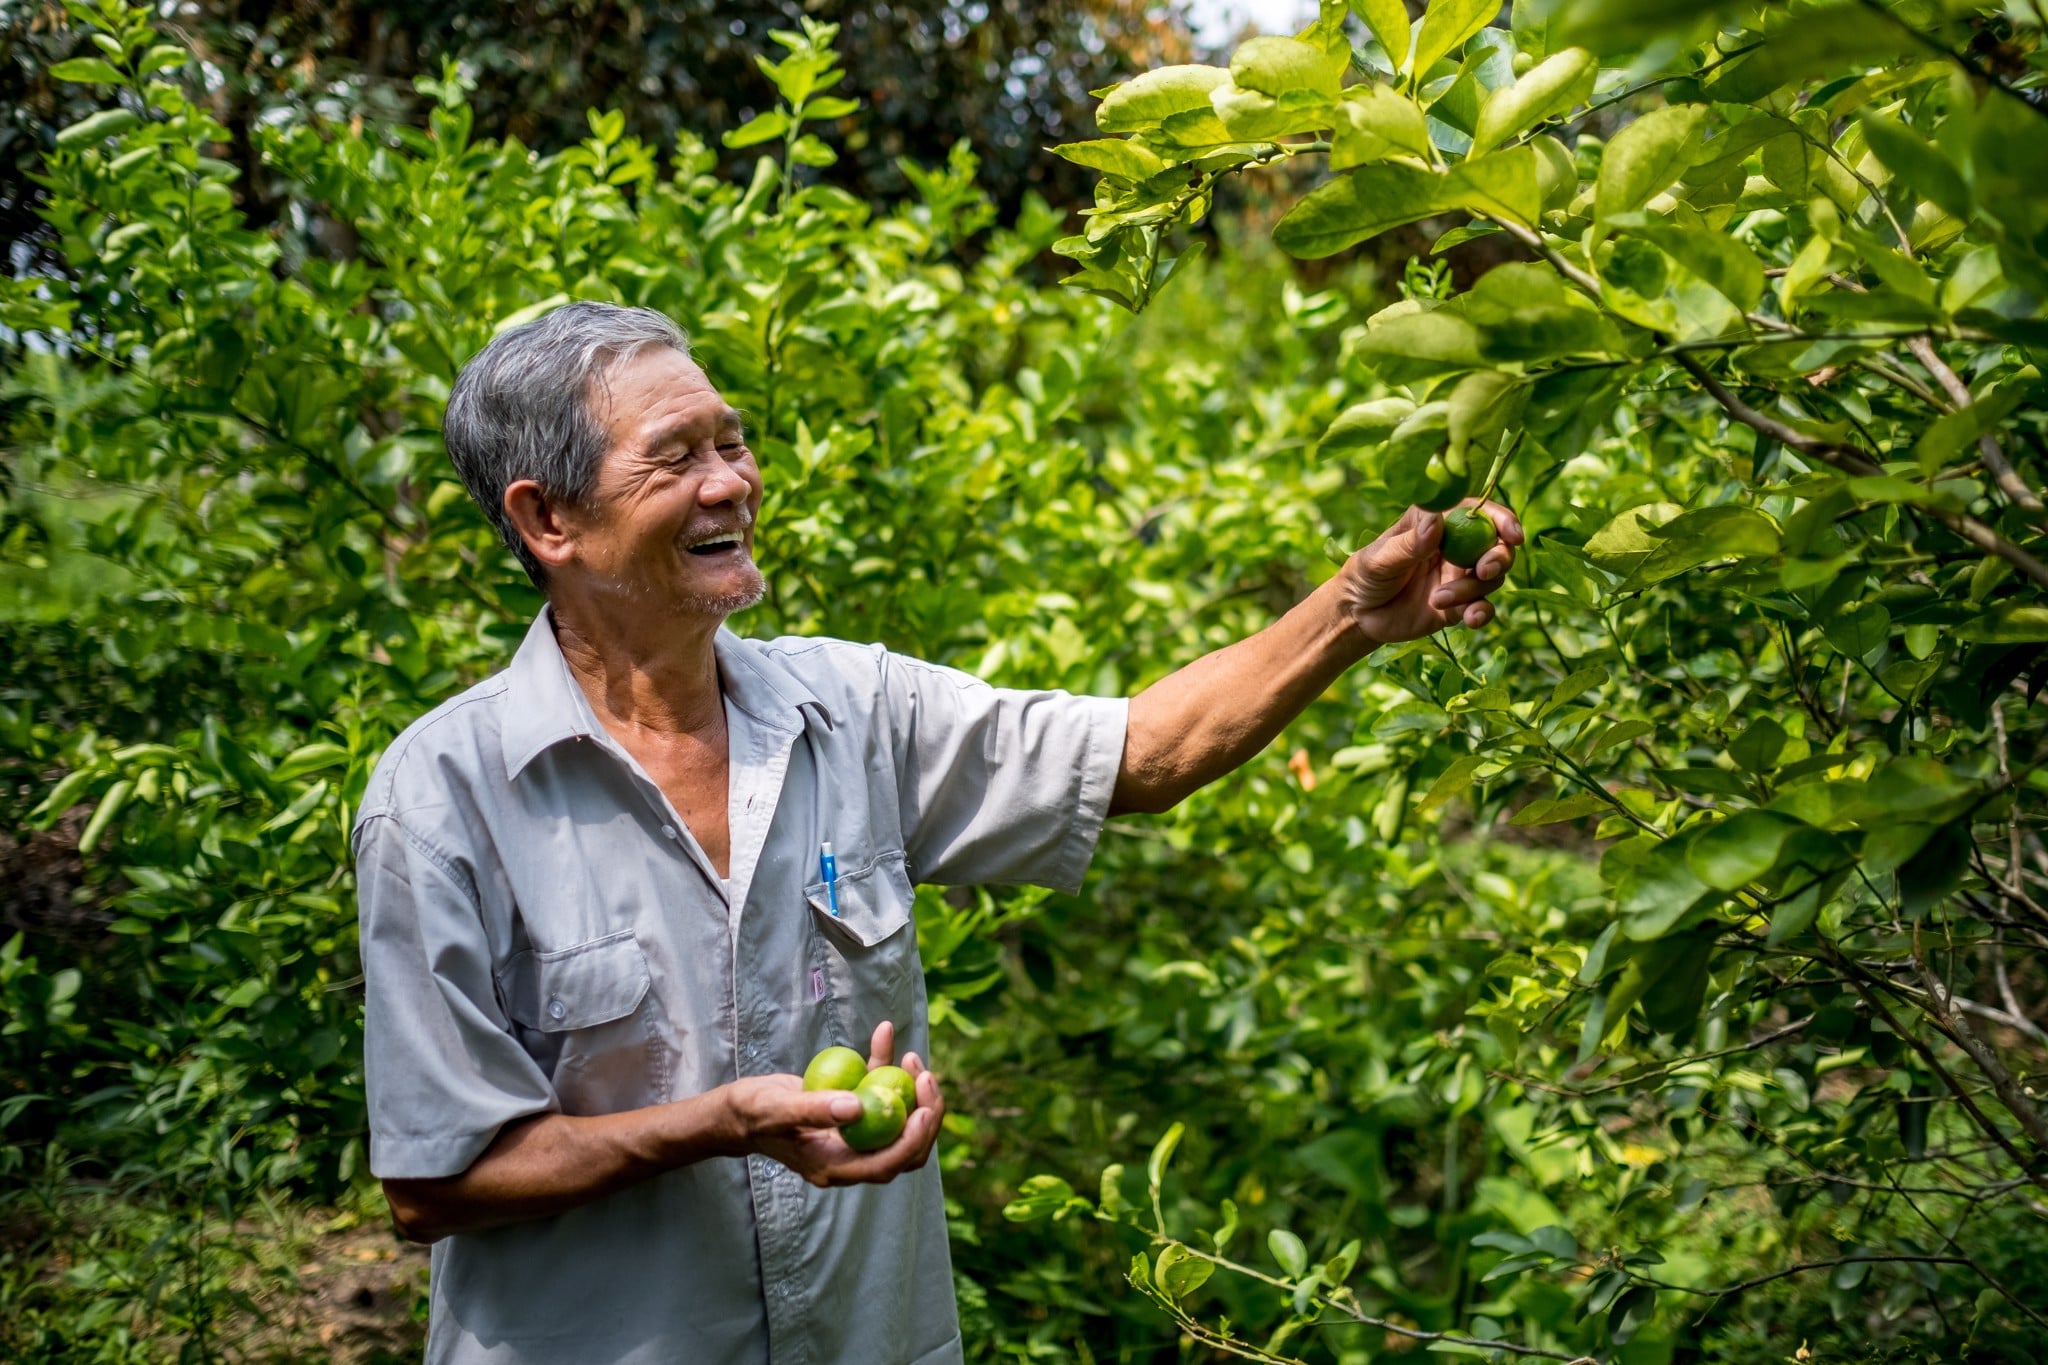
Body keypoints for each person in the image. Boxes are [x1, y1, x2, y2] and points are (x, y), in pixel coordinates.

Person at [353, 301, 1519, 1364]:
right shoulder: (443, 801)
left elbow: (1143, 754)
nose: (730, 484)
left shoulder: (852, 709)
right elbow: (437, 1178)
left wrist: (1351, 615)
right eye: (676, 457)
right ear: (548, 517)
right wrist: (716, 1125)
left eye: (732, 442)